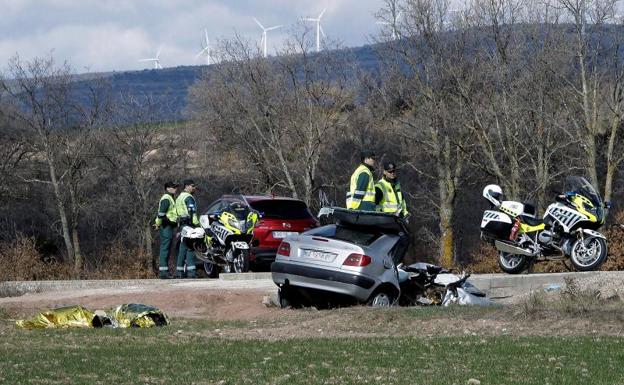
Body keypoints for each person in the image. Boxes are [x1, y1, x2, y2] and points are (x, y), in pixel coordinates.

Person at [375, 161, 410, 265]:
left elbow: (401, 202)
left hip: (399, 220)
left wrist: (406, 215)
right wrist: (380, 219)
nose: (392, 173)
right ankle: (393, 265)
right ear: (384, 172)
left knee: (404, 240)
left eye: (394, 171)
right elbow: (375, 206)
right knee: (403, 240)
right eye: (389, 171)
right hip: (386, 221)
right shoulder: (380, 186)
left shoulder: (397, 185)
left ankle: (395, 264)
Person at [175, 179, 200, 278]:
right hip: (190, 225)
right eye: (192, 186)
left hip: (182, 225)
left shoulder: (179, 197)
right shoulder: (189, 197)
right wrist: (198, 225)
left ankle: (179, 272)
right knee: (191, 248)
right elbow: (192, 213)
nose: (194, 188)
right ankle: (191, 273)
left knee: (182, 249)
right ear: (187, 186)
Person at [154, 181, 179, 279]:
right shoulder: (166, 198)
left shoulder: (171, 198)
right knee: (165, 248)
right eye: (173, 187)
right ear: (167, 188)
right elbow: (161, 214)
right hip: (166, 226)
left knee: (167, 248)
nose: (175, 189)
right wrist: (158, 224)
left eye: (175, 187)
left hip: (169, 226)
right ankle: (163, 273)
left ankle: (165, 271)